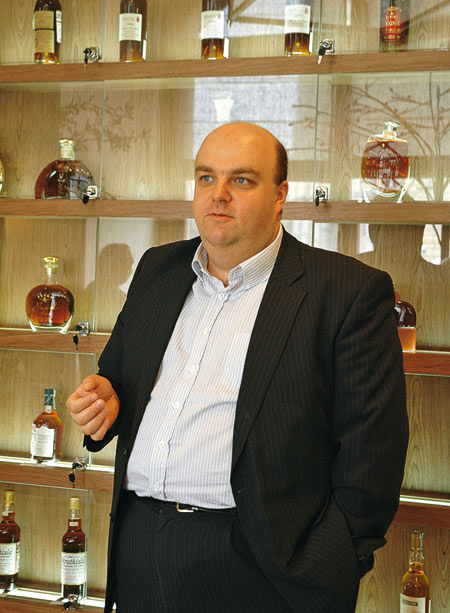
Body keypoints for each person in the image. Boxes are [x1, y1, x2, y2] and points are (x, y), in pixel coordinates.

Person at [66, 121, 409, 613]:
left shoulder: (346, 291)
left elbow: (373, 457)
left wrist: (327, 564)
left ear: (280, 194)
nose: (218, 194)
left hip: (261, 565)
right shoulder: (157, 269)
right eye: (206, 177)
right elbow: (115, 381)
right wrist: (104, 402)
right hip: (139, 547)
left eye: (241, 180)